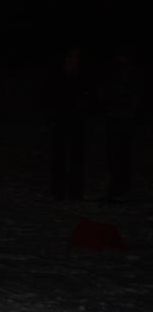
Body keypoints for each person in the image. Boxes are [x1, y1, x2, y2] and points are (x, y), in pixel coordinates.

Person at [43, 45, 95, 201]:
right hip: (61, 120)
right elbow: (50, 96)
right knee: (59, 156)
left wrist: (84, 107)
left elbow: (89, 98)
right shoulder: (58, 75)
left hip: (77, 121)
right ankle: (58, 190)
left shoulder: (82, 76)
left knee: (77, 157)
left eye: (77, 57)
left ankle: (75, 191)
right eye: (72, 56)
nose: (74, 60)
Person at [101, 48, 143, 203]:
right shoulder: (119, 72)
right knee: (117, 154)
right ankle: (119, 187)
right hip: (117, 118)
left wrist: (127, 115)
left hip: (122, 120)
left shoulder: (128, 73)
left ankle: (119, 188)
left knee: (119, 154)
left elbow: (131, 97)